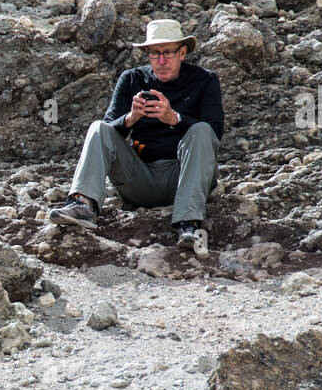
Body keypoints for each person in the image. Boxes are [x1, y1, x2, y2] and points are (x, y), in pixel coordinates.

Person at [49, 18, 224, 252]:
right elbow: (108, 132)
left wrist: (175, 118)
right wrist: (130, 119)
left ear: (182, 52)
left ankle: (188, 223)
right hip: (141, 179)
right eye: (154, 54)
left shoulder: (205, 80)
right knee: (97, 127)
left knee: (201, 129)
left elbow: (215, 132)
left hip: (185, 175)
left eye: (168, 53)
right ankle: (82, 205)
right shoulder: (131, 79)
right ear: (147, 54)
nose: (161, 61)